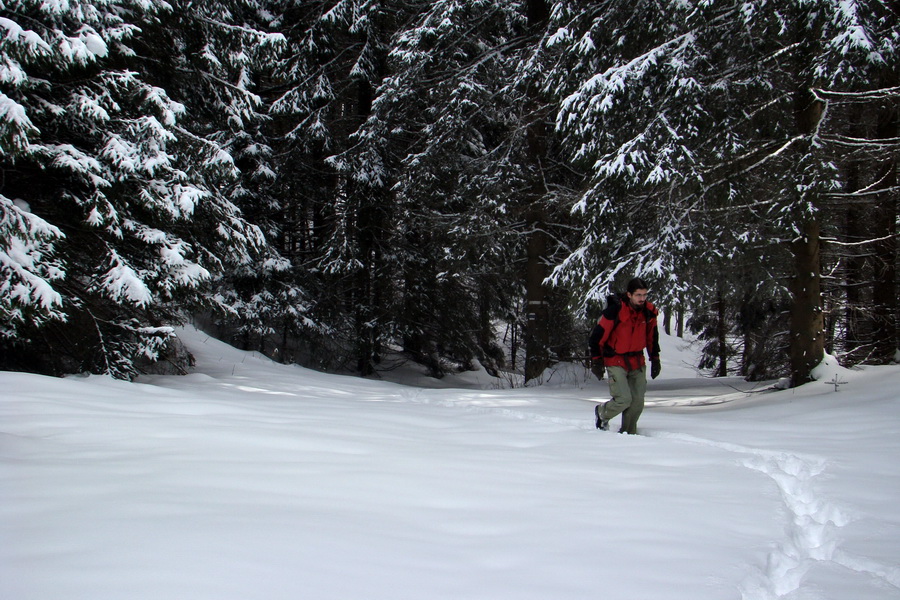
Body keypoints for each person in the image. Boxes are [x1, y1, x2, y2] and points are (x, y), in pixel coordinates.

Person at [588, 277, 661, 434]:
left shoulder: (649, 312)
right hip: (615, 359)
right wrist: (596, 361)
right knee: (623, 400)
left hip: (637, 361)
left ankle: (628, 434)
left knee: (637, 403)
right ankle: (602, 412)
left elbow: (652, 337)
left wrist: (655, 358)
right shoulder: (615, 311)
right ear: (629, 295)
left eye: (644, 295)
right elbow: (597, 337)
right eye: (638, 295)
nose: (642, 299)